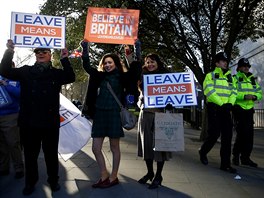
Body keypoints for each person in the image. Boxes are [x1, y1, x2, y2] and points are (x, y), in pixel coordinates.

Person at [0, 39, 75, 195]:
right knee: (30, 155)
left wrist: (64, 58)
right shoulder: (26, 71)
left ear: (50, 55)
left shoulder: (56, 73)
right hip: (29, 122)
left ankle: (53, 180)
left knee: (51, 155)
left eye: (44, 52)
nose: (40, 54)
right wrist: (9, 51)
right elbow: (5, 70)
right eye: (38, 52)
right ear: (35, 55)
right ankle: (30, 183)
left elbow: (70, 77)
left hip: (49, 123)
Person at [80, 41, 130, 188]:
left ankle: (114, 176)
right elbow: (87, 67)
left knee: (115, 147)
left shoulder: (122, 76)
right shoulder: (99, 76)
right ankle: (104, 174)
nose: (108, 65)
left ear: (116, 63)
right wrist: (85, 49)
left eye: (110, 62)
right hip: (100, 114)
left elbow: (134, 70)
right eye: (105, 63)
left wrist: (133, 51)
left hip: (114, 114)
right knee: (96, 148)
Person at [137, 53, 172, 189]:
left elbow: (174, 95)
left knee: (160, 147)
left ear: (158, 63)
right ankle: (150, 172)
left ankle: (158, 175)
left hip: (160, 115)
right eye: (148, 62)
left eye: (153, 62)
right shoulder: (142, 76)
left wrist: (170, 103)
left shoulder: (167, 77)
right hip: (145, 114)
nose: (150, 64)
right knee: (147, 146)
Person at [198, 52, 237, 173]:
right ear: (216, 63)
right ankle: (203, 151)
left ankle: (225, 164)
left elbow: (234, 91)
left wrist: (230, 103)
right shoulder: (210, 76)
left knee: (227, 137)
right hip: (215, 108)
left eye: (226, 61)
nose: (225, 63)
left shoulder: (231, 77)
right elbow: (209, 91)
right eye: (222, 61)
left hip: (226, 109)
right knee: (214, 135)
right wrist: (222, 104)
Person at [232, 58, 262, 167]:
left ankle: (245, 158)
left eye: (247, 66)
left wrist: (254, 96)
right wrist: (244, 96)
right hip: (239, 108)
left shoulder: (252, 79)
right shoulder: (235, 79)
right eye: (244, 66)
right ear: (239, 67)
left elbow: (259, 93)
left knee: (249, 135)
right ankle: (235, 156)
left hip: (249, 109)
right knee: (242, 134)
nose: (246, 68)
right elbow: (232, 94)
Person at [0, 65, 24, 179]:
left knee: (13, 142)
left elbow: (20, 94)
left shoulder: (16, 79)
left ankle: (19, 167)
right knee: (1, 145)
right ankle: (4, 167)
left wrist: (7, 85)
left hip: (11, 115)